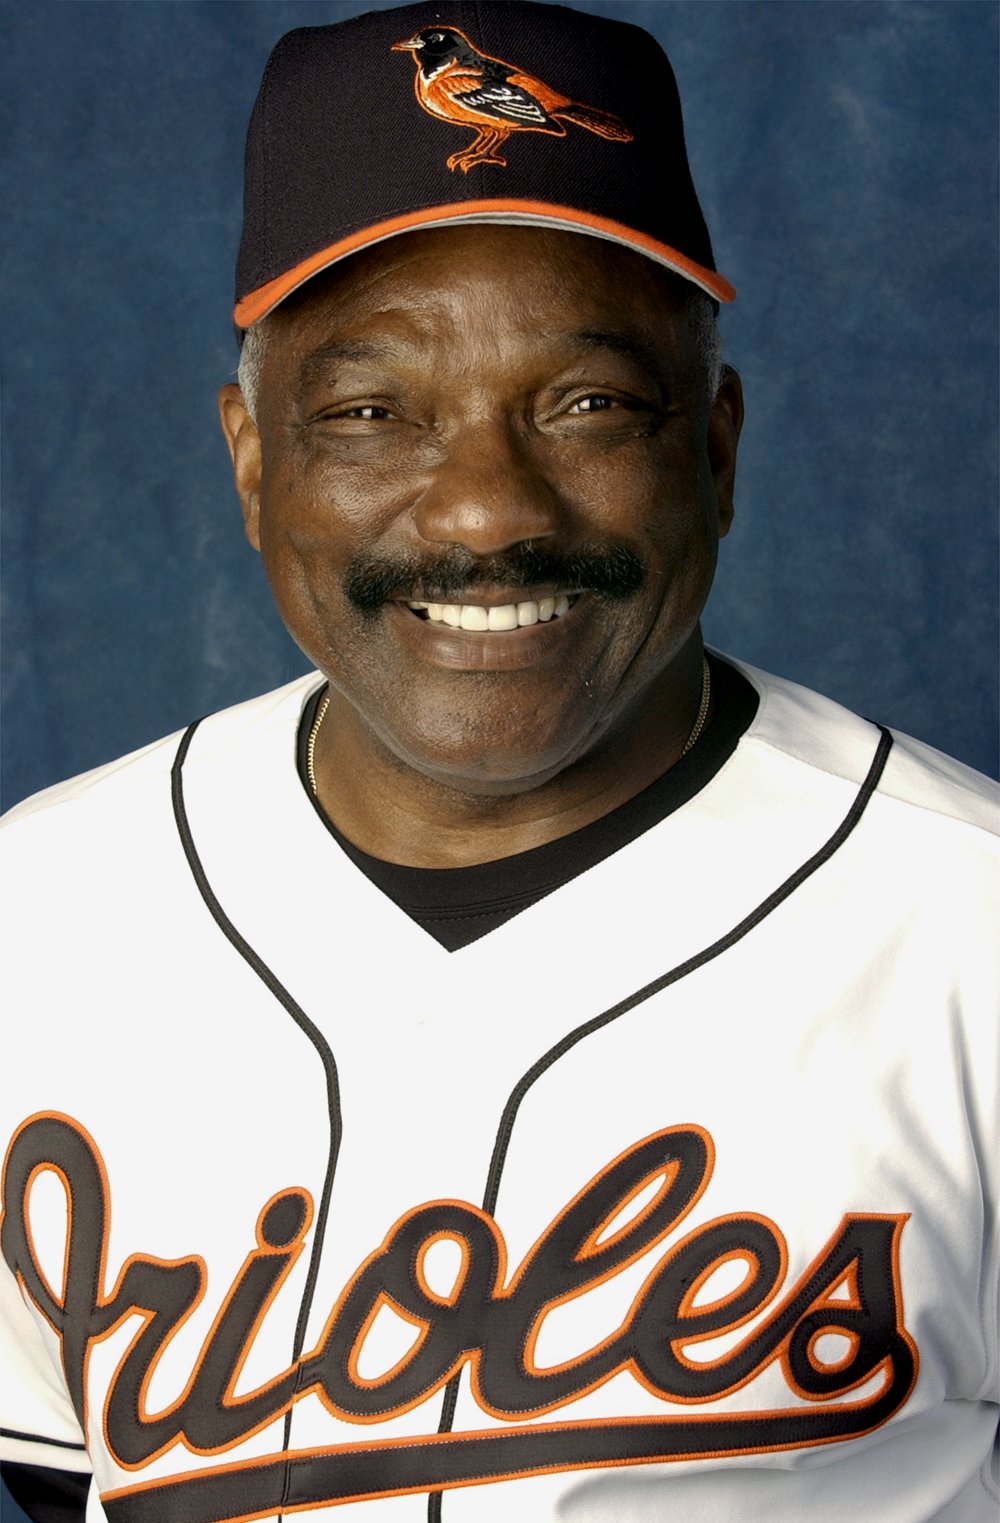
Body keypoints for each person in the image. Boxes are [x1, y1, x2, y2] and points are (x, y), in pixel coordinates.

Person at [1, 3, 996, 1521]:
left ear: (717, 450)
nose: (482, 510)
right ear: (254, 458)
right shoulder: (36, 915)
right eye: (370, 411)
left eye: (588, 403)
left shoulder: (969, 929)